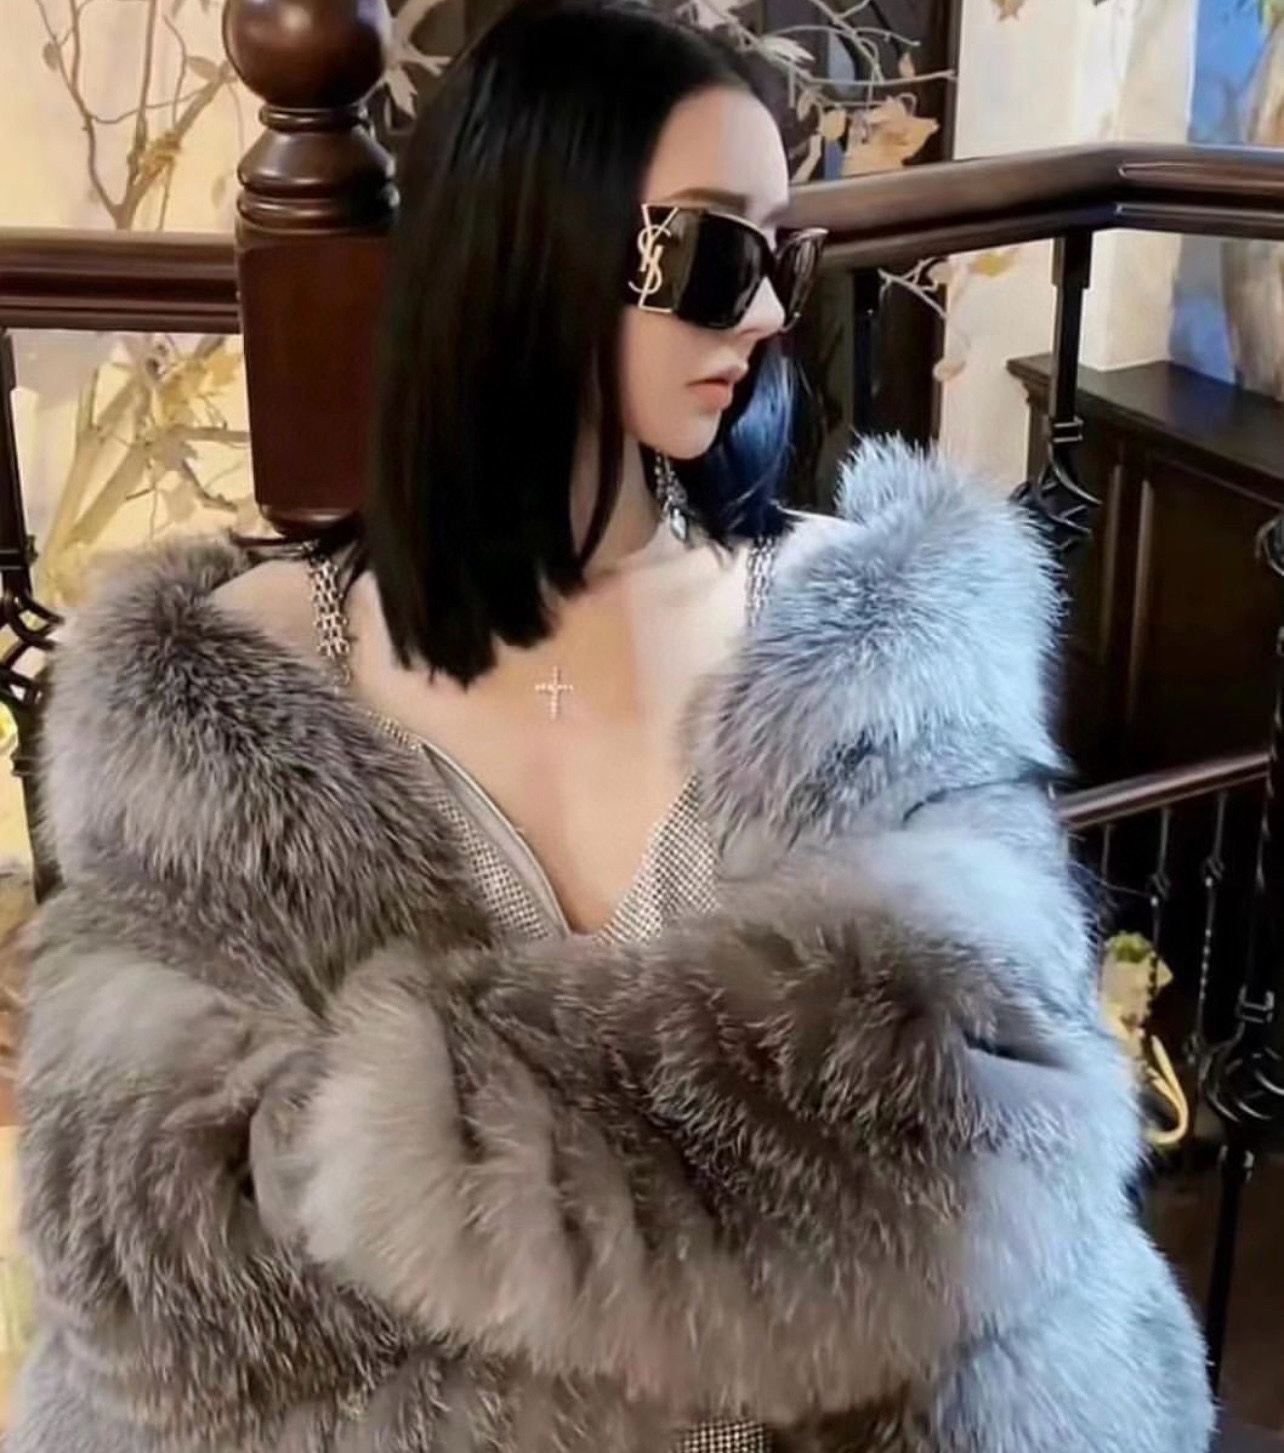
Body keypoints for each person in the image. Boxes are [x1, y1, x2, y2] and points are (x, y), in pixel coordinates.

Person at [11, 0, 1213, 1449]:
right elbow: (152, 1250)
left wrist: (400, 1172)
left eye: (778, 257)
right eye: (714, 253)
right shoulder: (231, 685)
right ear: (530, 247)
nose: (767, 313)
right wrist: (743, 1213)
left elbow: (987, 1141)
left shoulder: (870, 636)